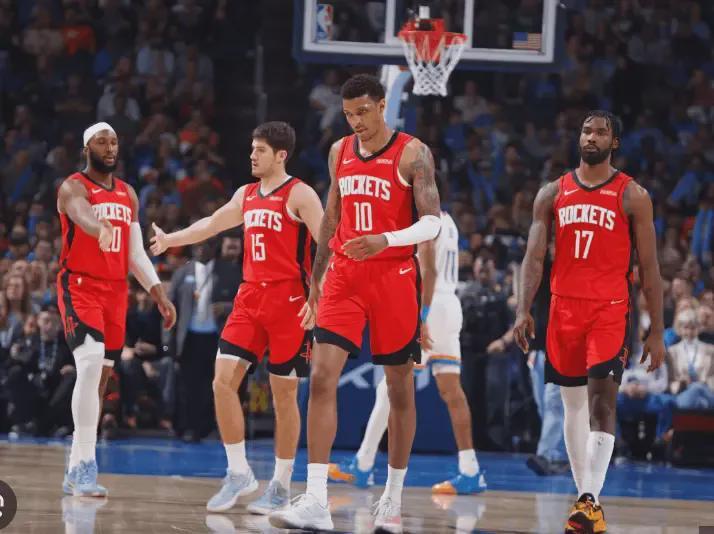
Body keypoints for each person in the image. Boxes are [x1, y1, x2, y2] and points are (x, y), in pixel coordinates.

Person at [270, 74, 442, 532]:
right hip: (345, 276)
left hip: (394, 276)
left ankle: (392, 499)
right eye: (349, 114)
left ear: (383, 106)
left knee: (399, 388)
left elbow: (433, 223)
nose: (356, 121)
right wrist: (316, 277)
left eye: (363, 112)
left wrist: (386, 239)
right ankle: (317, 500)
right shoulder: (339, 151)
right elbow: (332, 215)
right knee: (321, 377)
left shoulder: (413, 153)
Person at [151, 121, 324, 514]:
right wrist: (171, 240)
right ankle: (239, 472)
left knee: (284, 396)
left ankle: (280, 484)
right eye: (251, 148)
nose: (252, 155)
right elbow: (212, 224)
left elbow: (328, 247)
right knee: (222, 382)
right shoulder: (245, 194)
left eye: (260, 150)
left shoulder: (300, 194)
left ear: (281, 155)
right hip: (249, 298)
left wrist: (319, 295)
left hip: (290, 301)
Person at [512, 110, 666, 534]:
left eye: (600, 132)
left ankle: (588, 500)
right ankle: (587, 502)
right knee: (572, 406)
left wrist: (656, 330)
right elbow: (533, 257)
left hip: (609, 310)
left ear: (614, 142)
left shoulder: (632, 195)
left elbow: (650, 267)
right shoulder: (552, 192)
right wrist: (523, 309)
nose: (591, 137)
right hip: (563, 309)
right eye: (586, 130)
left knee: (602, 403)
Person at [327, 186, 487, 496]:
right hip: (450, 305)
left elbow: (428, 270)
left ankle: (363, 465)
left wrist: (421, 316)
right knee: (451, 391)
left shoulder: (425, 221)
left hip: (429, 306)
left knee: (390, 386)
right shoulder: (449, 221)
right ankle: (471, 470)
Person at [57, 122, 176, 497]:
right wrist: (99, 227)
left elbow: (135, 252)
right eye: (101, 142)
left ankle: (75, 467)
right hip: (80, 286)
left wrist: (158, 293)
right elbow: (80, 213)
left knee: (102, 377)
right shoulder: (73, 186)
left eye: (113, 142)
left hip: (116, 292)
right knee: (91, 361)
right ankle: (86, 466)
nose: (109, 147)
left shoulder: (128, 193)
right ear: (86, 148)